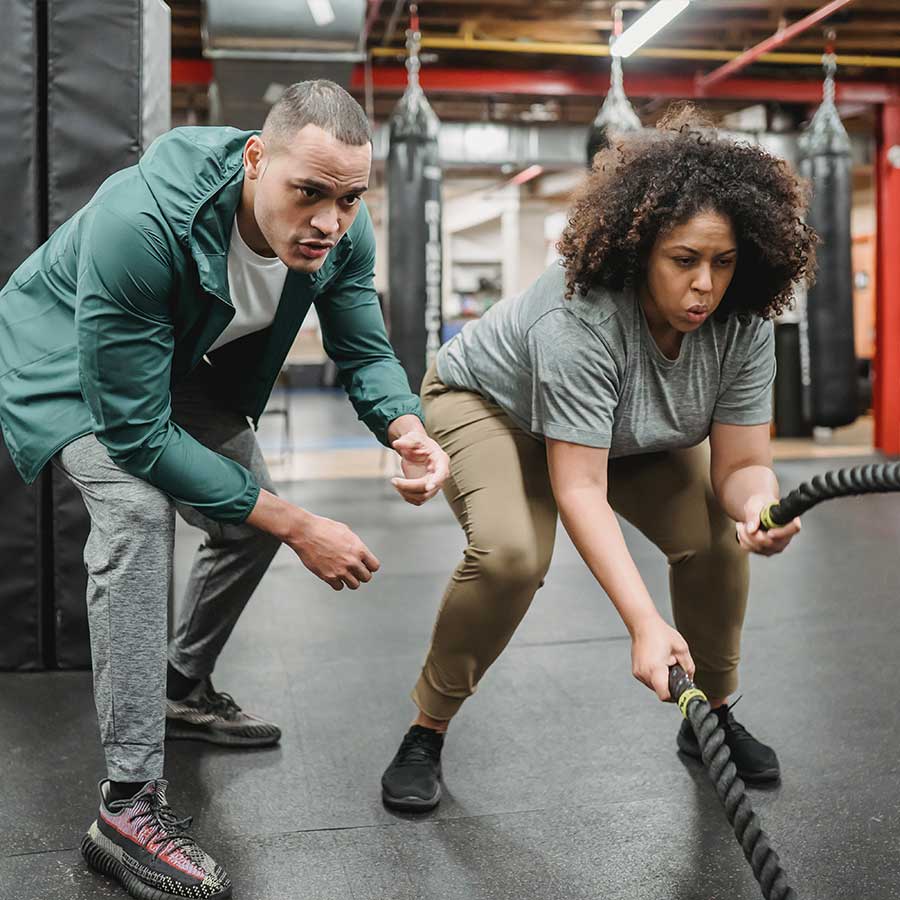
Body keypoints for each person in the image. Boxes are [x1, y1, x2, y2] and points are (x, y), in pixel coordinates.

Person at [0, 80, 448, 898]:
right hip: (65, 358)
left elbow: (363, 342)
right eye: (306, 192)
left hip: (170, 353)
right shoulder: (140, 219)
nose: (327, 220)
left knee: (247, 516)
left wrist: (405, 426)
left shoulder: (344, 229)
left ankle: (181, 687)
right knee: (139, 513)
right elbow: (134, 432)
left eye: (348, 198)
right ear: (255, 160)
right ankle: (127, 806)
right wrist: (299, 522)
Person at [380, 109, 815, 813]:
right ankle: (426, 729)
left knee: (714, 538)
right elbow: (579, 488)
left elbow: (740, 466)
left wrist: (757, 508)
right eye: (684, 260)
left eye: (724, 262)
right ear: (643, 251)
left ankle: (711, 717)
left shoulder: (744, 321)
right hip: (492, 406)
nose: (705, 285)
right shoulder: (580, 315)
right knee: (512, 555)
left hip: (621, 431)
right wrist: (644, 624)